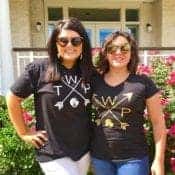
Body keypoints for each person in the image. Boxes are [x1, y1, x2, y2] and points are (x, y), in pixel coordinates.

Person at [6, 18, 94, 175]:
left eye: (75, 41)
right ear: (55, 43)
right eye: (63, 41)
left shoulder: (89, 72)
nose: (70, 45)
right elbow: (12, 97)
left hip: (82, 151)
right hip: (52, 151)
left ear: (83, 44)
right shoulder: (39, 69)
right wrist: (24, 132)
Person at [90, 31, 167, 175]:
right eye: (112, 48)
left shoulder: (143, 84)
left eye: (124, 48)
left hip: (133, 159)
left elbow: (158, 123)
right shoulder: (94, 82)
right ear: (105, 53)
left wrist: (159, 159)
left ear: (132, 52)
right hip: (100, 157)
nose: (118, 52)